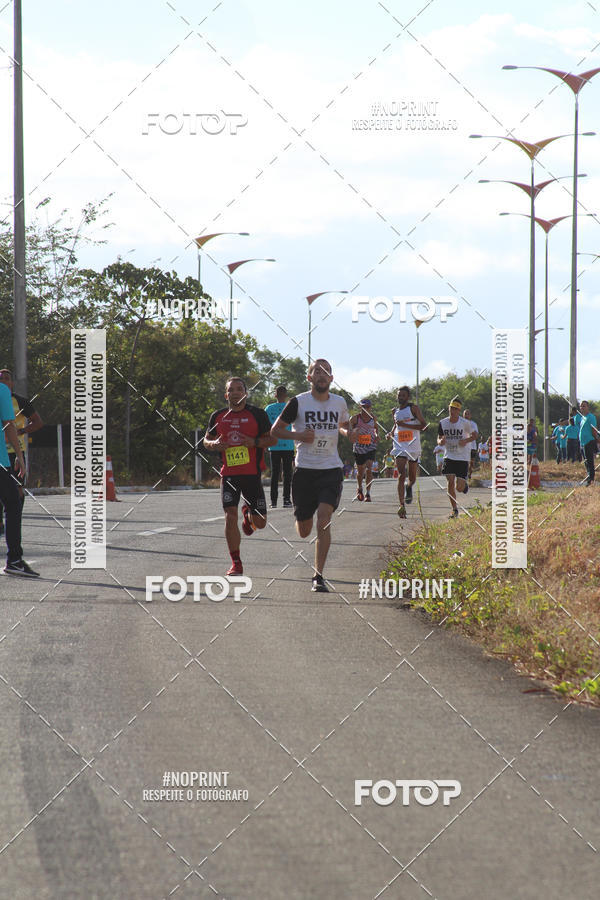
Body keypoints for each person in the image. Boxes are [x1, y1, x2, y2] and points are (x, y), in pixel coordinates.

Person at [270, 358, 357, 592]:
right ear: (310, 378)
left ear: (331, 378)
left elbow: (343, 425)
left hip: (331, 469)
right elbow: (275, 430)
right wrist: (298, 436)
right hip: (305, 471)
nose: (321, 374)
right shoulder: (298, 402)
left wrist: (349, 433)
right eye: (316, 371)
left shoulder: (339, 402)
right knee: (304, 530)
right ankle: (301, 516)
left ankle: (318, 575)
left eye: (326, 371)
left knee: (324, 519)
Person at [203, 377, 275, 575]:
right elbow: (206, 441)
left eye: (239, 389)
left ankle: (248, 515)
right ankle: (236, 563)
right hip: (229, 475)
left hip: (252, 475)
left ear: (245, 393)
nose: (235, 393)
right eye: (231, 390)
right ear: (226, 395)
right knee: (229, 515)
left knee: (260, 523)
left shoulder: (257, 414)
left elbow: (272, 440)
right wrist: (214, 445)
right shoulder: (218, 416)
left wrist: (254, 442)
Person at [0, 379, 39, 576]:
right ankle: (14, 560)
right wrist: (20, 457)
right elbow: (9, 425)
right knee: (13, 503)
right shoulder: (2, 391)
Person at [0, 368, 43, 534]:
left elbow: (38, 422)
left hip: (15, 452)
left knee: (17, 490)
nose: (3, 381)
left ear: (12, 383)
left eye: (6, 378)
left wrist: (21, 431)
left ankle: (15, 519)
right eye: (0, 378)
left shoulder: (20, 401)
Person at [388, 386, 427, 519]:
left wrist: (406, 425)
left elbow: (424, 425)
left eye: (403, 395)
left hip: (413, 445)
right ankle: (401, 505)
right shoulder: (395, 411)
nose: (400, 397)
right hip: (399, 445)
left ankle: (409, 487)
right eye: (399, 395)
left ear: (408, 397)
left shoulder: (413, 409)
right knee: (401, 474)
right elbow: (396, 425)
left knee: (412, 478)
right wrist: (391, 433)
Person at [438, 398, 474, 519]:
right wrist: (440, 441)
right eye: (450, 408)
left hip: (462, 457)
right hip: (449, 455)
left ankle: (464, 485)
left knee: (459, 488)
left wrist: (466, 440)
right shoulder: (443, 422)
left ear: (459, 411)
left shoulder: (465, 423)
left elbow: (474, 435)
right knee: (450, 481)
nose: (452, 411)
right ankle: (454, 509)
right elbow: (439, 437)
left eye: (455, 409)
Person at [264, 385, 295, 508]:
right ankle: (286, 500)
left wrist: (264, 442)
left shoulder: (269, 408)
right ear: (286, 395)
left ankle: (273, 501)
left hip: (274, 445)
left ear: (275, 395)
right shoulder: (290, 407)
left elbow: (265, 426)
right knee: (287, 474)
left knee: (275, 473)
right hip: (288, 445)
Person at [349, 398, 379, 502]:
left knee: (369, 468)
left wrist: (376, 436)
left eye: (367, 407)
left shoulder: (373, 418)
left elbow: (376, 428)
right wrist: (353, 433)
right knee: (360, 470)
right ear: (360, 407)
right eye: (363, 407)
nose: (366, 408)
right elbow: (349, 430)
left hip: (370, 445)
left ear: (370, 407)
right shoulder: (355, 419)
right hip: (359, 446)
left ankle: (368, 493)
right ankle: (359, 488)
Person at [574, 401, 599, 486]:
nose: (582, 408)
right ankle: (589, 476)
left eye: (584, 406)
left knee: (589, 461)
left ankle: (591, 479)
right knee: (585, 461)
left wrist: (596, 439)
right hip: (582, 442)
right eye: (581, 406)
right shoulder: (582, 418)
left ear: (588, 407)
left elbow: (593, 430)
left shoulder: (591, 417)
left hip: (589, 441)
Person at [462, 408, 479, 480]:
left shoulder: (473, 424)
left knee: (471, 463)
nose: (466, 415)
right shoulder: (460, 423)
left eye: (468, 414)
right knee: (464, 461)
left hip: (472, 446)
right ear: (463, 415)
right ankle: (464, 476)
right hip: (463, 446)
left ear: (470, 415)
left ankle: (469, 475)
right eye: (465, 414)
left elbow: (476, 434)